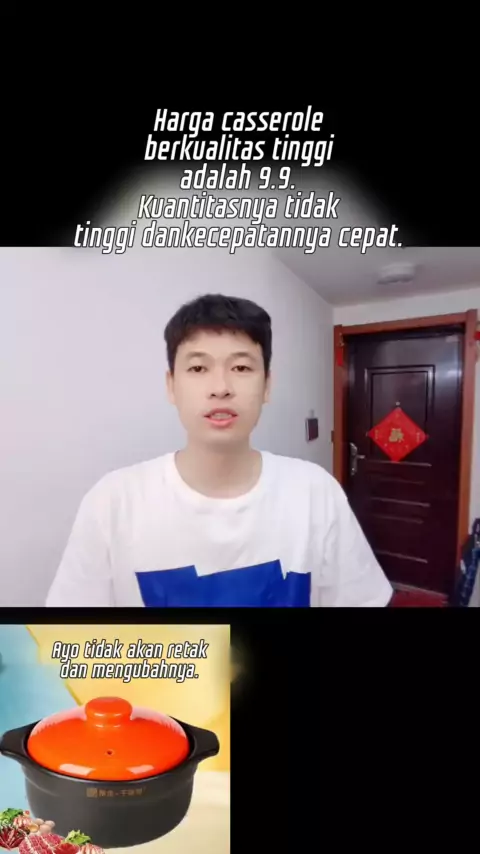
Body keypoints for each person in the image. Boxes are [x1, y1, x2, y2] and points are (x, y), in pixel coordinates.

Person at [46, 293, 393, 607]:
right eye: (198, 368)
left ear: (267, 385)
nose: (221, 388)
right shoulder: (112, 503)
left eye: (241, 367)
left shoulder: (316, 492)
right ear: (171, 385)